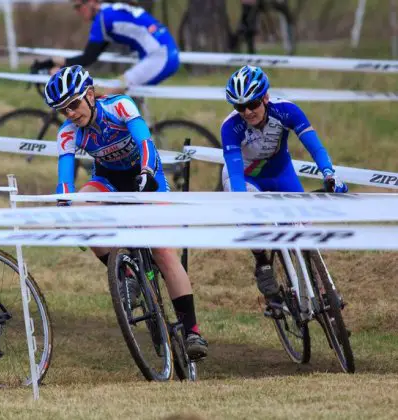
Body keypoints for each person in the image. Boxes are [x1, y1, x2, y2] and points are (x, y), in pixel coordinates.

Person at [48, 65, 208, 360]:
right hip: (109, 180)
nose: (70, 113)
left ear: (90, 95)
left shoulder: (120, 105)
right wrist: (65, 205)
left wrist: (146, 171)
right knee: (80, 208)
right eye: (62, 109)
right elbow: (65, 180)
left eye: (73, 104)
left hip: (147, 176)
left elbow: (146, 142)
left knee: (162, 251)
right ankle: (124, 271)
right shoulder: (68, 133)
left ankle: (192, 330)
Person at [221, 65, 349, 315]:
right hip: (247, 179)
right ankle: (262, 263)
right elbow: (235, 174)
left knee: (305, 227)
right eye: (240, 106)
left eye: (253, 103)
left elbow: (316, 147)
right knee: (256, 226)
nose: (247, 111)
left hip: (281, 173)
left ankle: (324, 290)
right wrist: (241, 205)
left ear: (266, 97)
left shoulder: (287, 110)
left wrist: (329, 174)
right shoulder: (230, 127)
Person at [31, 0, 179, 95]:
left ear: (92, 2)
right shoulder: (109, 13)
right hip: (165, 52)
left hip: (159, 58)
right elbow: (90, 55)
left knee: (105, 91)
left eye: (78, 6)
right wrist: (51, 62)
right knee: (119, 96)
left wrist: (52, 66)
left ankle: (134, 138)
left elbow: (87, 58)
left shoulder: (102, 20)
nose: (77, 11)